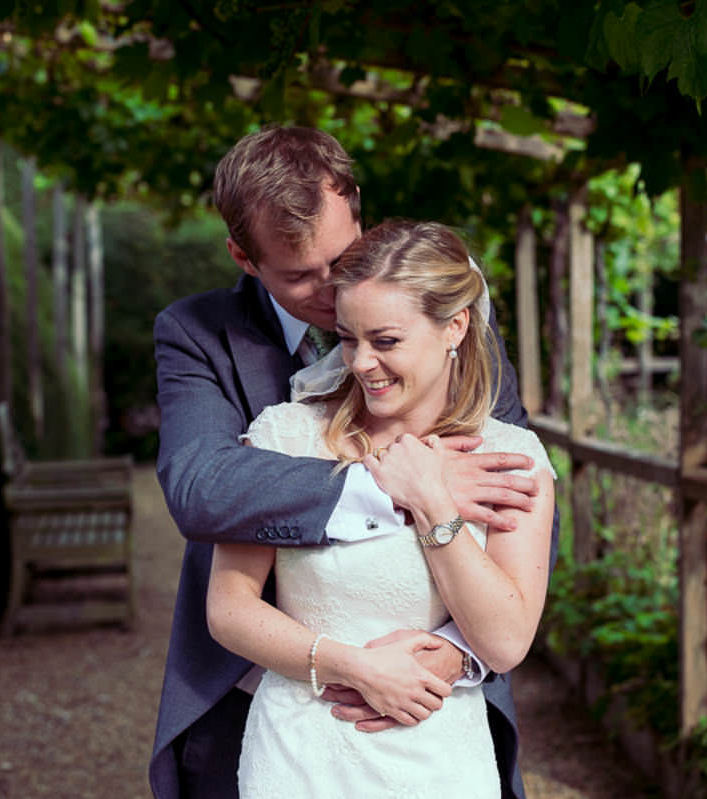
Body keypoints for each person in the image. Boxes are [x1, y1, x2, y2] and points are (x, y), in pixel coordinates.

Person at [149, 126, 552, 799]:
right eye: (299, 276)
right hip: (260, 703)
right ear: (244, 257)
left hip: (435, 708)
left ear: (356, 213)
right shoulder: (198, 334)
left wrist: (460, 649)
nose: (333, 291)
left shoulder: (450, 322)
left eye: (339, 259)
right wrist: (385, 486)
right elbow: (202, 489)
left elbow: (514, 492)